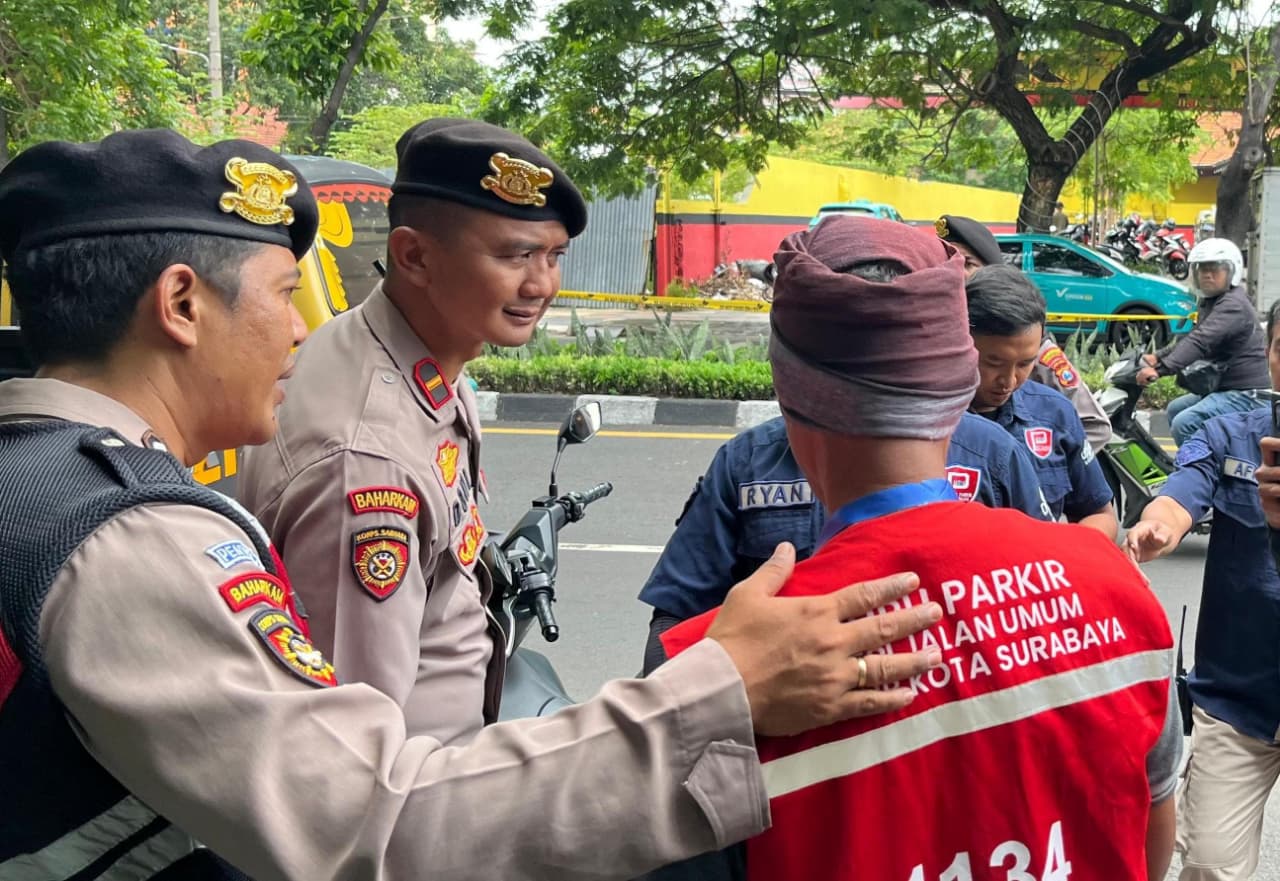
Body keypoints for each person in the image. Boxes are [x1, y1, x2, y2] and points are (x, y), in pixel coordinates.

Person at [0, 130, 948, 881]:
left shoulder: (52, 474)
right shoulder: (137, 534)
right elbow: (368, 811)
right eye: (284, 293)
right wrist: (718, 692)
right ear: (180, 304)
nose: (298, 327)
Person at [657, 214, 1180, 881]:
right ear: (960, 377)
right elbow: (1151, 822)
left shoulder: (727, 672)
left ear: (788, 392)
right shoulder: (1116, 590)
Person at [240, 119, 580, 741]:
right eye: (515, 255)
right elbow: (356, 742)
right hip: (421, 795)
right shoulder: (367, 459)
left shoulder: (420, 359)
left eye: (554, 255)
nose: (542, 284)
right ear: (414, 256)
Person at [638, 380, 1053, 676]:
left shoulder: (991, 454)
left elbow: (1040, 599)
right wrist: (718, 704)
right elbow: (676, 617)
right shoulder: (747, 462)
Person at [1127, 298, 1280, 881]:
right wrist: (1157, 525)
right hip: (1237, 702)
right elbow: (1183, 487)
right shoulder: (1229, 432)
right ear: (1268, 355)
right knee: (1211, 867)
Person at [936, 213, 1112, 451]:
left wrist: (1028, 473)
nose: (954, 273)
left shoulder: (1030, 342)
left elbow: (1093, 426)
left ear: (993, 272)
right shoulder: (932, 337)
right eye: (945, 262)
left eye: (967, 264)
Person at [966, 264, 1118, 538]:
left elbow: (1098, 514)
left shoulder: (1054, 413)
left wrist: (1064, 553)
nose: (1009, 380)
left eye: (1025, 363)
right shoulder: (932, 426)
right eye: (993, 362)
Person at [1137, 237, 1269, 447]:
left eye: (1215, 269)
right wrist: (1157, 356)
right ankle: (1198, 461)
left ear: (1231, 272)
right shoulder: (1212, 302)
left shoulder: (1233, 305)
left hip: (1245, 393)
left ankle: (1204, 474)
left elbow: (1201, 341)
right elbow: (1192, 337)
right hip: (1226, 388)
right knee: (1174, 409)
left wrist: (1161, 370)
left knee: (1184, 423)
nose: (1207, 274)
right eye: (1202, 269)